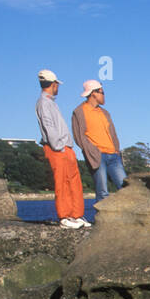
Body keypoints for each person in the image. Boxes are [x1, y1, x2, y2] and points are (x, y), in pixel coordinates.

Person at [34, 69, 88, 228]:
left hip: (65, 147)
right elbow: (48, 126)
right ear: (53, 84)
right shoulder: (44, 103)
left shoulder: (50, 102)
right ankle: (64, 217)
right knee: (62, 182)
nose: (58, 87)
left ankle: (76, 215)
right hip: (58, 148)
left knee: (74, 181)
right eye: (57, 84)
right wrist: (58, 146)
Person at [72, 80, 126, 202]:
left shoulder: (105, 113)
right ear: (93, 94)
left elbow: (113, 133)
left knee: (125, 188)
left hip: (114, 155)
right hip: (97, 155)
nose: (104, 95)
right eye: (102, 92)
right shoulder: (79, 112)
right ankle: (102, 220)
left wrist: (117, 150)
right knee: (102, 191)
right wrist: (92, 151)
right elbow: (79, 136)